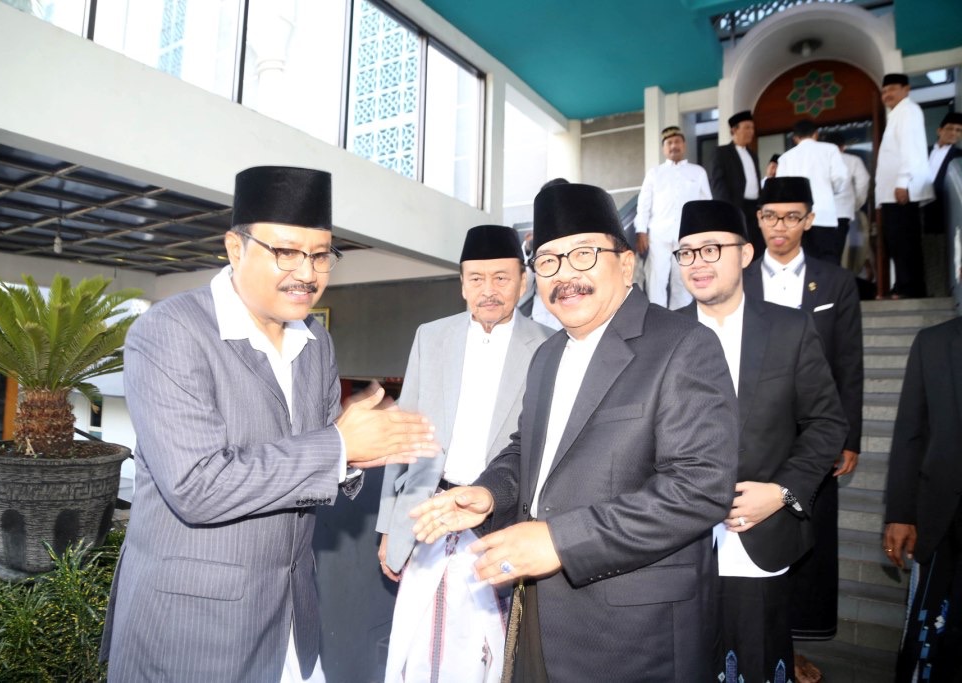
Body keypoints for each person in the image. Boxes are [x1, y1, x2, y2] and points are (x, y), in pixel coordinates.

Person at [100, 166, 440, 683]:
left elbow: (320, 452)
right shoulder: (170, 332)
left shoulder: (314, 342)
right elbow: (196, 486)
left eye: (321, 254)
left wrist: (355, 454)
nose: (307, 272)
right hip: (194, 629)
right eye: (285, 251)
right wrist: (339, 448)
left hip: (290, 618)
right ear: (235, 248)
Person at [410, 181, 740, 681]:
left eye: (582, 255)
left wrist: (560, 542)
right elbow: (528, 451)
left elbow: (699, 490)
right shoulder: (547, 356)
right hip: (538, 615)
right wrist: (488, 493)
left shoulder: (682, 345)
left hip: (633, 636)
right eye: (548, 261)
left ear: (625, 264)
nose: (565, 276)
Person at [675, 199, 847, 683]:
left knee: (754, 660)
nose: (698, 263)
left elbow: (827, 423)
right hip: (674, 546)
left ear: (746, 254)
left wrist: (783, 492)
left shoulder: (789, 328)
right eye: (686, 253)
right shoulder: (660, 334)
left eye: (711, 249)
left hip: (758, 538)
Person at [376, 224, 552, 683]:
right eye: (476, 278)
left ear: (523, 280)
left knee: (487, 655)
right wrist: (389, 526)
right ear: (461, 283)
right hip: (429, 514)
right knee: (418, 651)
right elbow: (404, 436)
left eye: (500, 277)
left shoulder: (550, 347)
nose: (488, 290)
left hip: (501, 520)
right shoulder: (430, 337)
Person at [743, 177, 864, 682]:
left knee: (805, 542)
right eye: (771, 216)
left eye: (793, 216)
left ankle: (792, 644)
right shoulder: (740, 278)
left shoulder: (835, 283)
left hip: (816, 434)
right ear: (759, 220)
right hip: (757, 430)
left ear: (810, 220)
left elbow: (849, 364)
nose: (781, 227)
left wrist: (849, 437)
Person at [884, 315, 962, 682]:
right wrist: (900, 513)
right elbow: (910, 433)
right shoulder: (932, 342)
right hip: (944, 523)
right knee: (935, 641)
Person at [634, 125, 712, 309]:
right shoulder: (654, 173)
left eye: (677, 141)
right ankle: (657, 322)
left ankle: (680, 323)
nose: (673, 146)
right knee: (656, 280)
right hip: (658, 236)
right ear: (664, 148)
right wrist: (641, 231)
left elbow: (706, 205)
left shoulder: (698, 172)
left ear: (684, 145)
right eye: (669, 143)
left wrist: (704, 235)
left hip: (687, 236)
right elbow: (643, 204)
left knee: (683, 280)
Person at [875, 73, 934, 298]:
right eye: (884, 91)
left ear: (906, 89)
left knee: (904, 243)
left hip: (902, 191)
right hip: (893, 193)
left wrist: (902, 182)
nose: (887, 94)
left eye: (892, 89)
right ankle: (902, 285)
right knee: (897, 242)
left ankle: (909, 289)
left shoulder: (908, 111)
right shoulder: (897, 114)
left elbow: (911, 150)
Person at [775, 119, 849, 264]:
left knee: (802, 263)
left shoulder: (786, 158)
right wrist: (831, 191)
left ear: (795, 138)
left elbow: (781, 190)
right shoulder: (830, 150)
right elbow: (840, 178)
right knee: (828, 260)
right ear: (816, 134)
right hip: (824, 215)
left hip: (796, 218)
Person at [710, 110, 764, 258]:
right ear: (734, 130)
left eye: (752, 128)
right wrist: (727, 211)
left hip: (755, 209)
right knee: (739, 249)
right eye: (747, 127)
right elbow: (718, 185)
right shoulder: (722, 153)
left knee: (757, 248)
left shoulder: (752, 155)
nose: (751, 132)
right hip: (736, 208)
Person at [922, 112, 962, 295]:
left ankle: (938, 293)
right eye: (950, 129)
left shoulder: (959, 156)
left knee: (939, 253)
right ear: (939, 130)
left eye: (958, 130)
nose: (954, 133)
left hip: (943, 211)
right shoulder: (923, 151)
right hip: (917, 209)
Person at [825, 132, 871, 275]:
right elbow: (863, 182)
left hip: (821, 214)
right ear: (843, 147)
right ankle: (840, 283)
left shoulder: (820, 160)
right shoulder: (852, 160)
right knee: (841, 250)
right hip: (843, 212)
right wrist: (855, 204)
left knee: (824, 250)